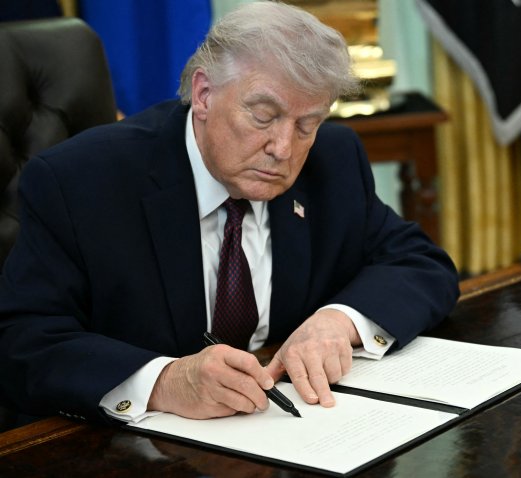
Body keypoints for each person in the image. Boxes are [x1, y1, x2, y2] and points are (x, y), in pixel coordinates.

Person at [0, 1, 459, 424]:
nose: (283, 148)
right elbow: (23, 341)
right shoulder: (81, 181)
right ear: (203, 94)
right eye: (263, 116)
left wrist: (339, 321)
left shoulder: (332, 161)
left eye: (307, 124)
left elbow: (421, 263)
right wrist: (163, 381)